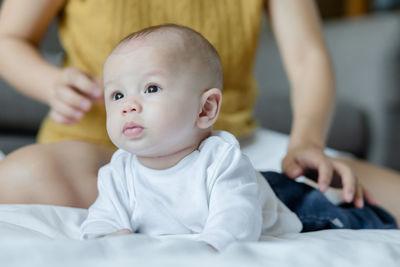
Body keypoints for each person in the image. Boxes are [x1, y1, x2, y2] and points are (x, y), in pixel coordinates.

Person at [0, 0, 399, 223]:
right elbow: (9, 37)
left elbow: (307, 57)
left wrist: (307, 142)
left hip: (234, 146)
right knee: (22, 178)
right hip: (97, 147)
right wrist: (49, 83)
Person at [80, 25, 303, 251]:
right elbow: (102, 217)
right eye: (117, 95)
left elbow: (238, 217)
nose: (127, 106)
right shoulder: (119, 171)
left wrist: (211, 247)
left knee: (321, 207)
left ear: (205, 109)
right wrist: (106, 237)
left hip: (278, 207)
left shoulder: (221, 161)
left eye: (151, 88)